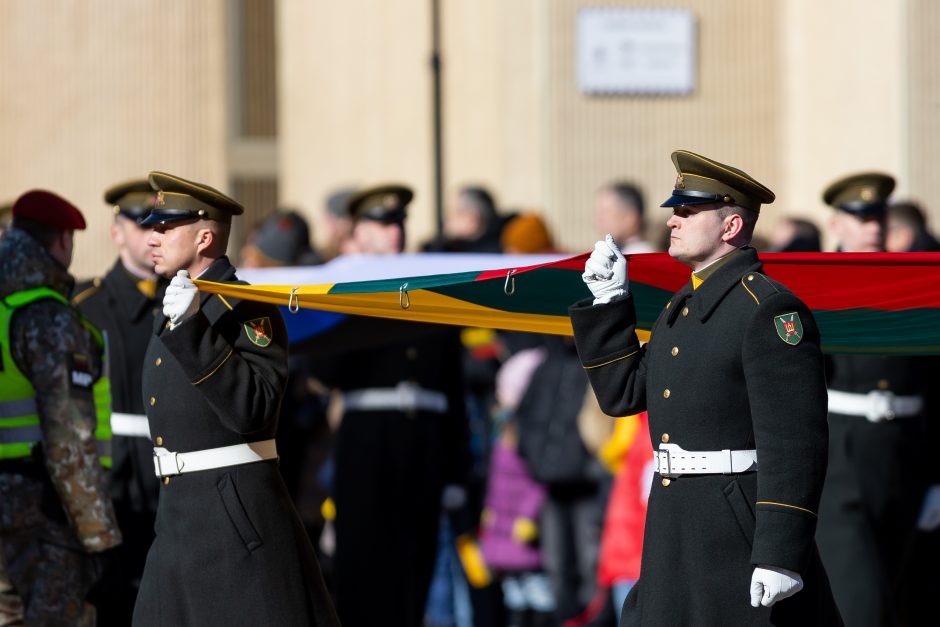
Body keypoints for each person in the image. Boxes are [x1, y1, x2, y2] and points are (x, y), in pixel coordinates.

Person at [569, 150, 841, 625]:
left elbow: (794, 441)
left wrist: (780, 551)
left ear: (731, 226)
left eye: (687, 211)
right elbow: (624, 395)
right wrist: (609, 305)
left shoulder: (768, 309)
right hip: (674, 522)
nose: (672, 220)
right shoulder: (686, 306)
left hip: (733, 527)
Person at [131, 172, 338, 626]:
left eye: (166, 228)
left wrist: (193, 331)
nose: (153, 238)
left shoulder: (246, 309)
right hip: (178, 520)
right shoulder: (175, 304)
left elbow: (254, 409)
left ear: (205, 236)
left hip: (231, 526)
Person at [313, 184, 470, 627]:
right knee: (363, 572)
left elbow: (452, 390)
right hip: (367, 445)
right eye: (381, 224)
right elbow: (324, 372)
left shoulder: (430, 290)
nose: (394, 232)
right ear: (359, 233)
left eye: (398, 222)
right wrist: (346, 291)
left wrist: (456, 469)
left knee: (414, 572)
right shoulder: (346, 285)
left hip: (423, 446)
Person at [817, 173, 940, 627]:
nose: (872, 226)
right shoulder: (818, 285)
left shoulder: (913, 281)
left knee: (903, 595)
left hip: (906, 452)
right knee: (858, 602)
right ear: (836, 224)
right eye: (859, 216)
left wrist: (936, 477)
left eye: (878, 216)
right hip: (841, 456)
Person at [0, 190, 121, 626]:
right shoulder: (50, 319)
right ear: (63, 241)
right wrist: (97, 534)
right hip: (44, 515)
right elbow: (69, 434)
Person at [69, 179, 164, 624]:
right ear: (116, 232)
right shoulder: (87, 306)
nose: (152, 236)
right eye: (140, 224)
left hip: (169, 474)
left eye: (159, 225)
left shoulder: (183, 303)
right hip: (113, 475)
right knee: (112, 596)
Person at [594, 182, 656, 254]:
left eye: (605, 212)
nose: (599, 219)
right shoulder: (619, 252)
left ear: (630, 217)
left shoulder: (639, 256)